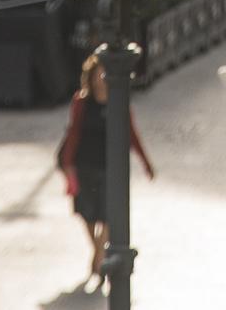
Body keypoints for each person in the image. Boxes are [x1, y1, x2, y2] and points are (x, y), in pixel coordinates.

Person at [56, 45, 156, 287]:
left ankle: (99, 255)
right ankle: (97, 251)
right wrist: (68, 164)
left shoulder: (118, 102)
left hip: (111, 166)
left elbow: (131, 133)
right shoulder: (81, 102)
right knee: (88, 213)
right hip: (85, 164)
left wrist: (145, 162)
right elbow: (74, 132)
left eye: (104, 75)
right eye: (97, 75)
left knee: (110, 214)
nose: (101, 80)